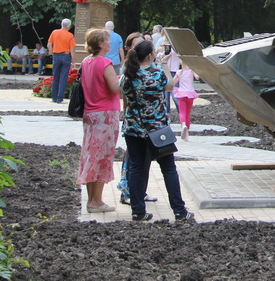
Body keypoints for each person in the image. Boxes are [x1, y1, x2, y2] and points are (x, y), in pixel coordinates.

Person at [120, 40, 194, 222]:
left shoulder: (129, 74)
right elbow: (169, 86)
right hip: (158, 129)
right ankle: (179, 211)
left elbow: (122, 90)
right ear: (149, 56)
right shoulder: (158, 74)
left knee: (136, 168)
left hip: (134, 128)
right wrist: (161, 63)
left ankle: (138, 211)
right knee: (168, 168)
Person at [76, 28, 122, 213]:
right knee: (103, 156)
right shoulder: (105, 62)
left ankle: (91, 201)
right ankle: (97, 202)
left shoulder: (86, 61)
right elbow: (114, 87)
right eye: (107, 40)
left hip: (90, 113)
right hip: (106, 114)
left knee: (90, 154)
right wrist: (124, 79)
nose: (110, 43)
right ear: (100, 44)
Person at [116, 32, 158, 206]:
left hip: (149, 123)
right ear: (129, 48)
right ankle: (128, 192)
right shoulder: (129, 68)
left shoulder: (151, 67)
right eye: (137, 44)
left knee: (146, 160)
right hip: (135, 122)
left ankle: (141, 191)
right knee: (133, 160)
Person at [47, 19, 77, 103]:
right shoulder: (70, 35)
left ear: (61, 24)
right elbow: (72, 50)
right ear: (69, 26)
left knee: (55, 77)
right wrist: (73, 61)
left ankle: (54, 97)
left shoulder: (54, 32)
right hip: (66, 56)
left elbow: (49, 44)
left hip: (56, 55)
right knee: (63, 77)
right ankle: (60, 98)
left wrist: (51, 53)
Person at [172, 61, 199, 141]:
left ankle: (183, 125)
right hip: (190, 94)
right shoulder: (192, 71)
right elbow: (197, 77)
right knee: (187, 113)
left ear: (181, 64)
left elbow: (173, 82)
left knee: (182, 112)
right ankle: (187, 133)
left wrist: (177, 75)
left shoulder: (180, 72)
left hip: (182, 94)